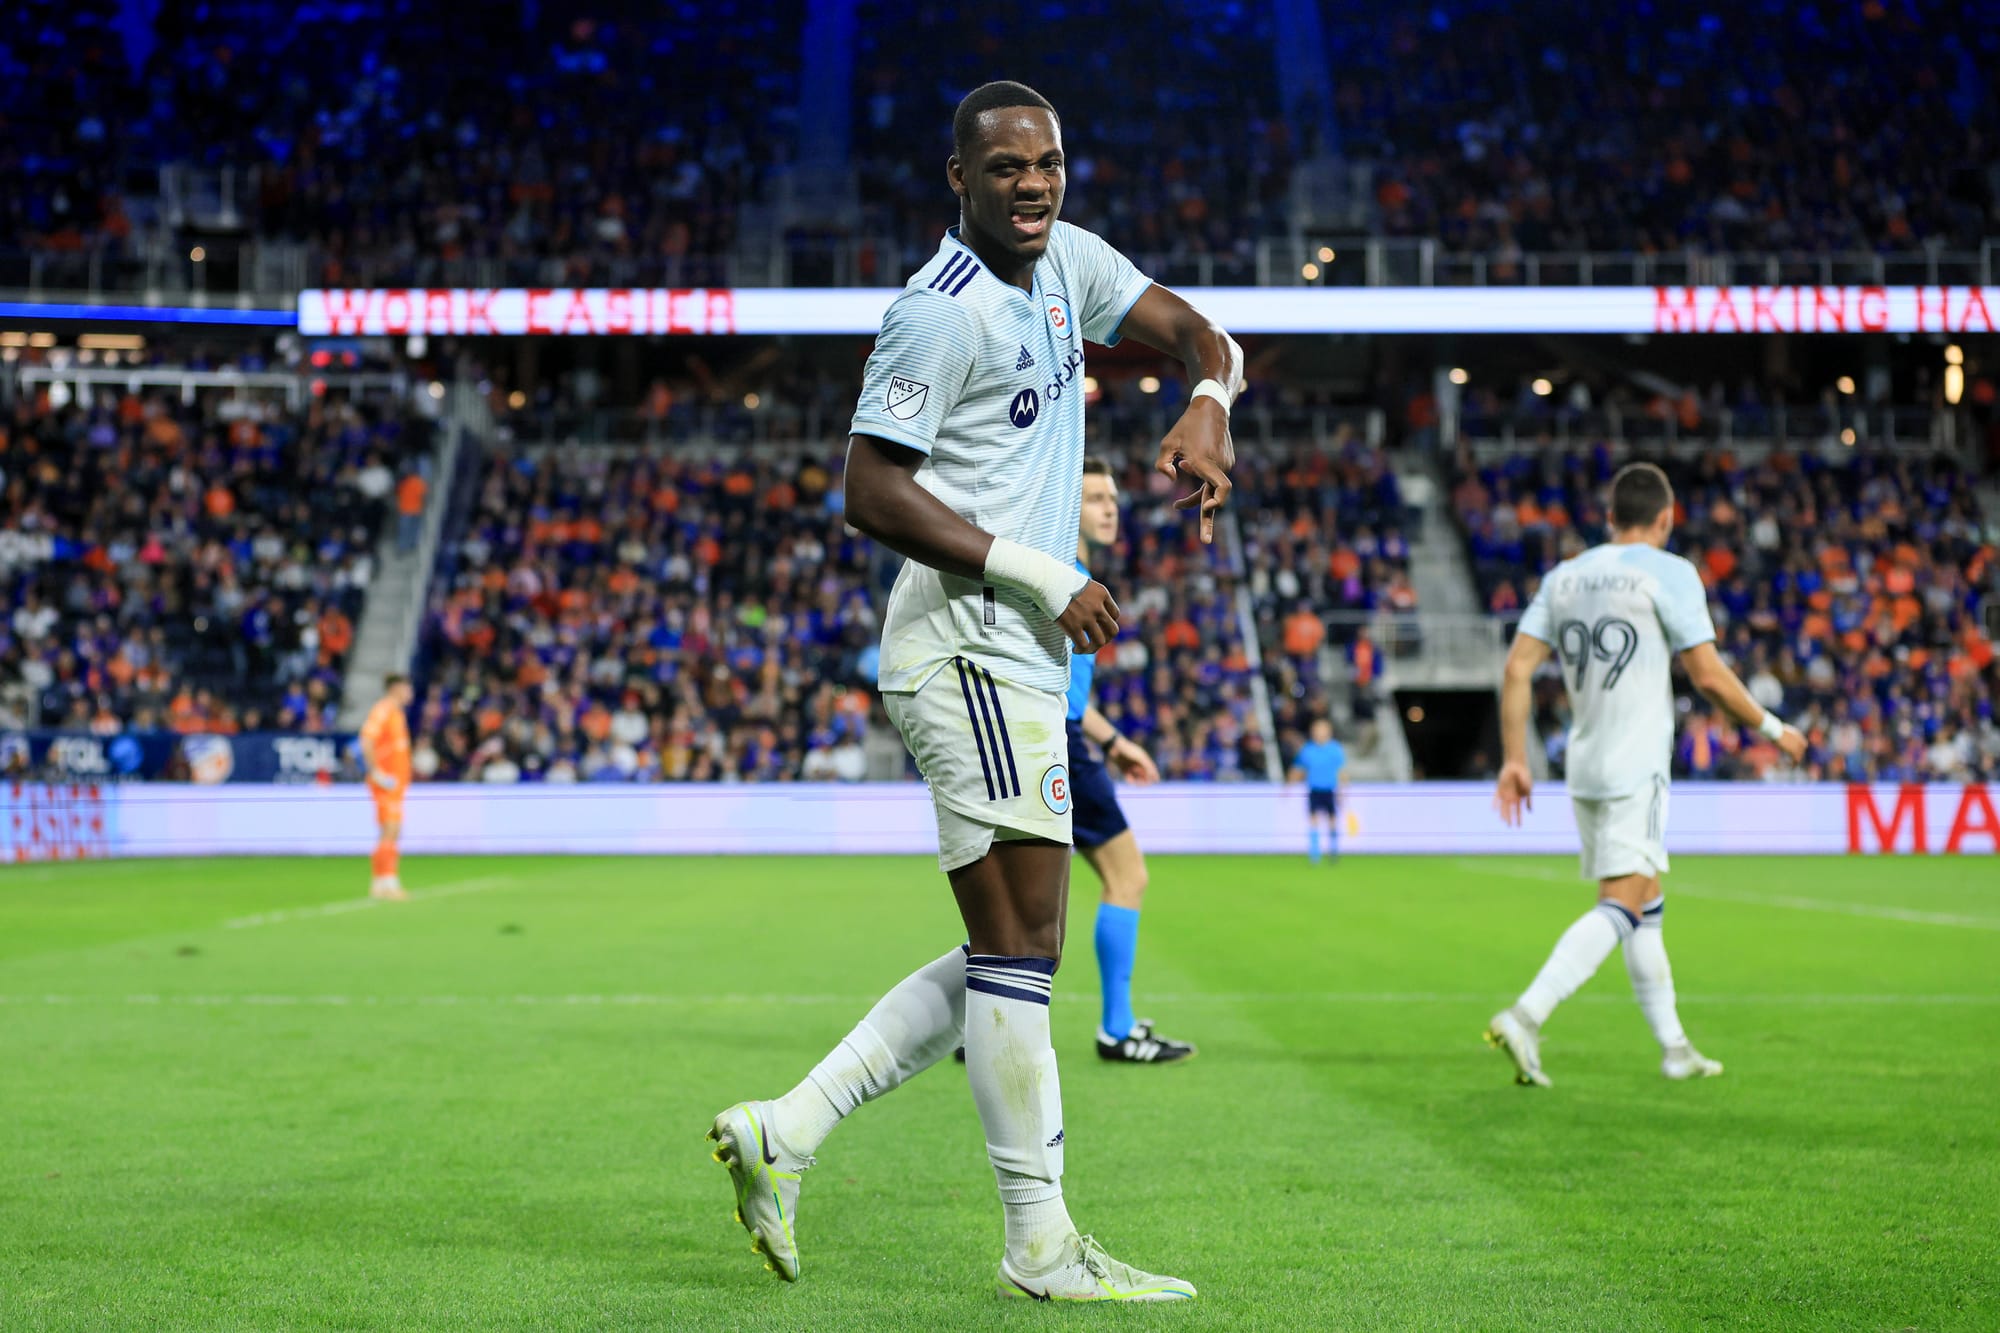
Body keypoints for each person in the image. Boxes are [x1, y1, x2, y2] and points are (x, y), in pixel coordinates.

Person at [708, 80, 1240, 1303]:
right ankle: (1039, 1246)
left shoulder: (1070, 266)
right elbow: (866, 489)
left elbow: (1204, 337)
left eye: (1047, 163)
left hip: (1012, 658)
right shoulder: (935, 315)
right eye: (1005, 169)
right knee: (1018, 950)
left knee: (1016, 948)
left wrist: (1209, 401)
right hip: (965, 646)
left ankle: (786, 1130)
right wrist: (1045, 572)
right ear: (959, 179)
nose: (1033, 185)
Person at [1487, 463, 1806, 1087]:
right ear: (1666, 518)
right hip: (1637, 764)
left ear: (1610, 518)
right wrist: (1773, 728)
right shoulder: (1670, 572)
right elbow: (1708, 676)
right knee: (1622, 904)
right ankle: (1527, 1014)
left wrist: (1515, 758)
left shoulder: (1565, 576)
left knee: (1646, 901)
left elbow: (1517, 669)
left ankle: (1675, 1047)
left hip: (1584, 763)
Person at [1067, 457, 1194, 1063]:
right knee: (1128, 877)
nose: (1110, 507)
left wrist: (1116, 744)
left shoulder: (1066, 576)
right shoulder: (1064, 579)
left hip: (1049, 740)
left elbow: (1068, 691)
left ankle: (980, 1025)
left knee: (1019, 897)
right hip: (1055, 747)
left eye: (1112, 497)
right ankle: (1117, 1029)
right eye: (1095, 497)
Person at [358, 673, 416, 900]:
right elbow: (366, 739)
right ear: (396, 688)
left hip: (396, 783)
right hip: (386, 783)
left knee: (391, 830)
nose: (410, 693)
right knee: (391, 828)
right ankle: (387, 882)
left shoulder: (397, 713)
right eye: (407, 688)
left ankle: (381, 883)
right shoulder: (383, 710)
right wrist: (376, 771)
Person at [1289, 717, 1347, 864]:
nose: (1319, 732)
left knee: (1332, 820)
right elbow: (1298, 769)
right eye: (1317, 729)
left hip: (1330, 789)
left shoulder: (1335, 749)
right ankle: (1315, 853)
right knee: (1313, 820)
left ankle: (1333, 851)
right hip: (1314, 789)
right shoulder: (1308, 749)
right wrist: (1288, 785)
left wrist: (1342, 790)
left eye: (1323, 729)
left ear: (1329, 731)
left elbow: (1341, 772)